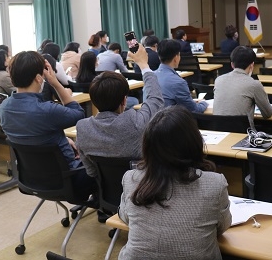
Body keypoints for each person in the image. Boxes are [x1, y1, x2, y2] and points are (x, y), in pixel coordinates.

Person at [118, 106, 231, 260]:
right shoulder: (215, 184)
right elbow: (222, 227)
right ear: (194, 141)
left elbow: (125, 216)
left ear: (148, 146)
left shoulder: (132, 179)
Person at [76, 44, 163, 216]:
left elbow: (92, 171)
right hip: (144, 194)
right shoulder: (136, 122)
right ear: (124, 100)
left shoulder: (83, 127)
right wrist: (144, 65)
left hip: (109, 198)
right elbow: (155, 99)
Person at [0, 51, 97, 202]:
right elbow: (78, 113)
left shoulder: (5, 107)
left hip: (32, 180)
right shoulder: (47, 110)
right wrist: (55, 83)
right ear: (39, 78)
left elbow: (32, 133)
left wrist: (62, 139)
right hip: (69, 178)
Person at [213, 46, 272, 119]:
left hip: (217, 129)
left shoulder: (218, 80)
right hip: (242, 130)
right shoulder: (254, 84)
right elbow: (268, 114)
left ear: (232, 64)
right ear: (252, 65)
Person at [154, 39, 208, 113]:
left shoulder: (150, 76)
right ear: (176, 58)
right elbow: (194, 110)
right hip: (169, 122)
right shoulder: (178, 82)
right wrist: (204, 103)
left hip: (150, 121)